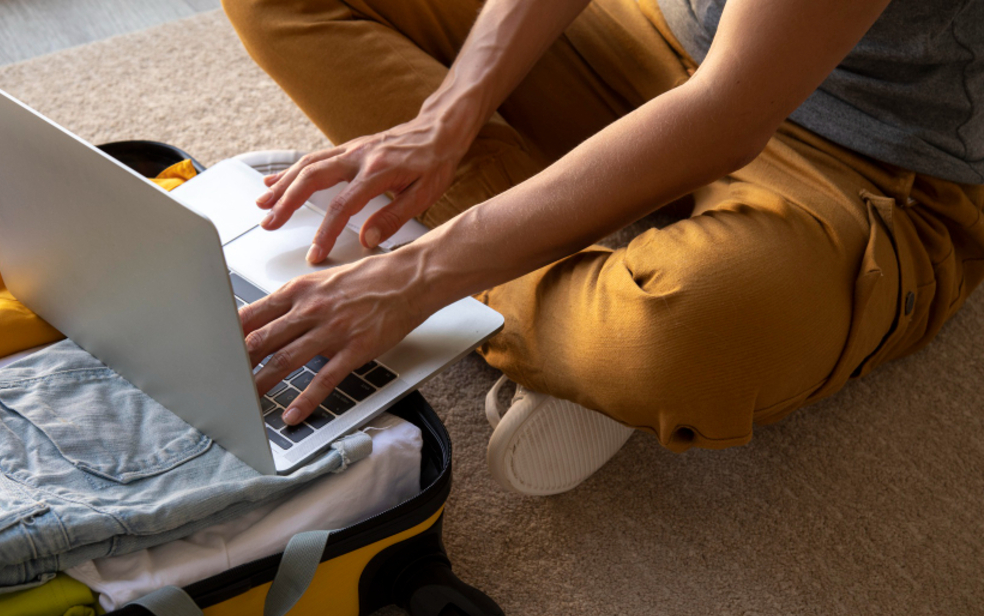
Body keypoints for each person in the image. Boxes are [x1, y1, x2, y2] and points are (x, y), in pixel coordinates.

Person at [221, 0, 984, 494]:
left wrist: (415, 275)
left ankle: (517, 284)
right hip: (673, 42)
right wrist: (444, 116)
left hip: (866, 161)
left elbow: (727, 114)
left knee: (686, 332)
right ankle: (567, 313)